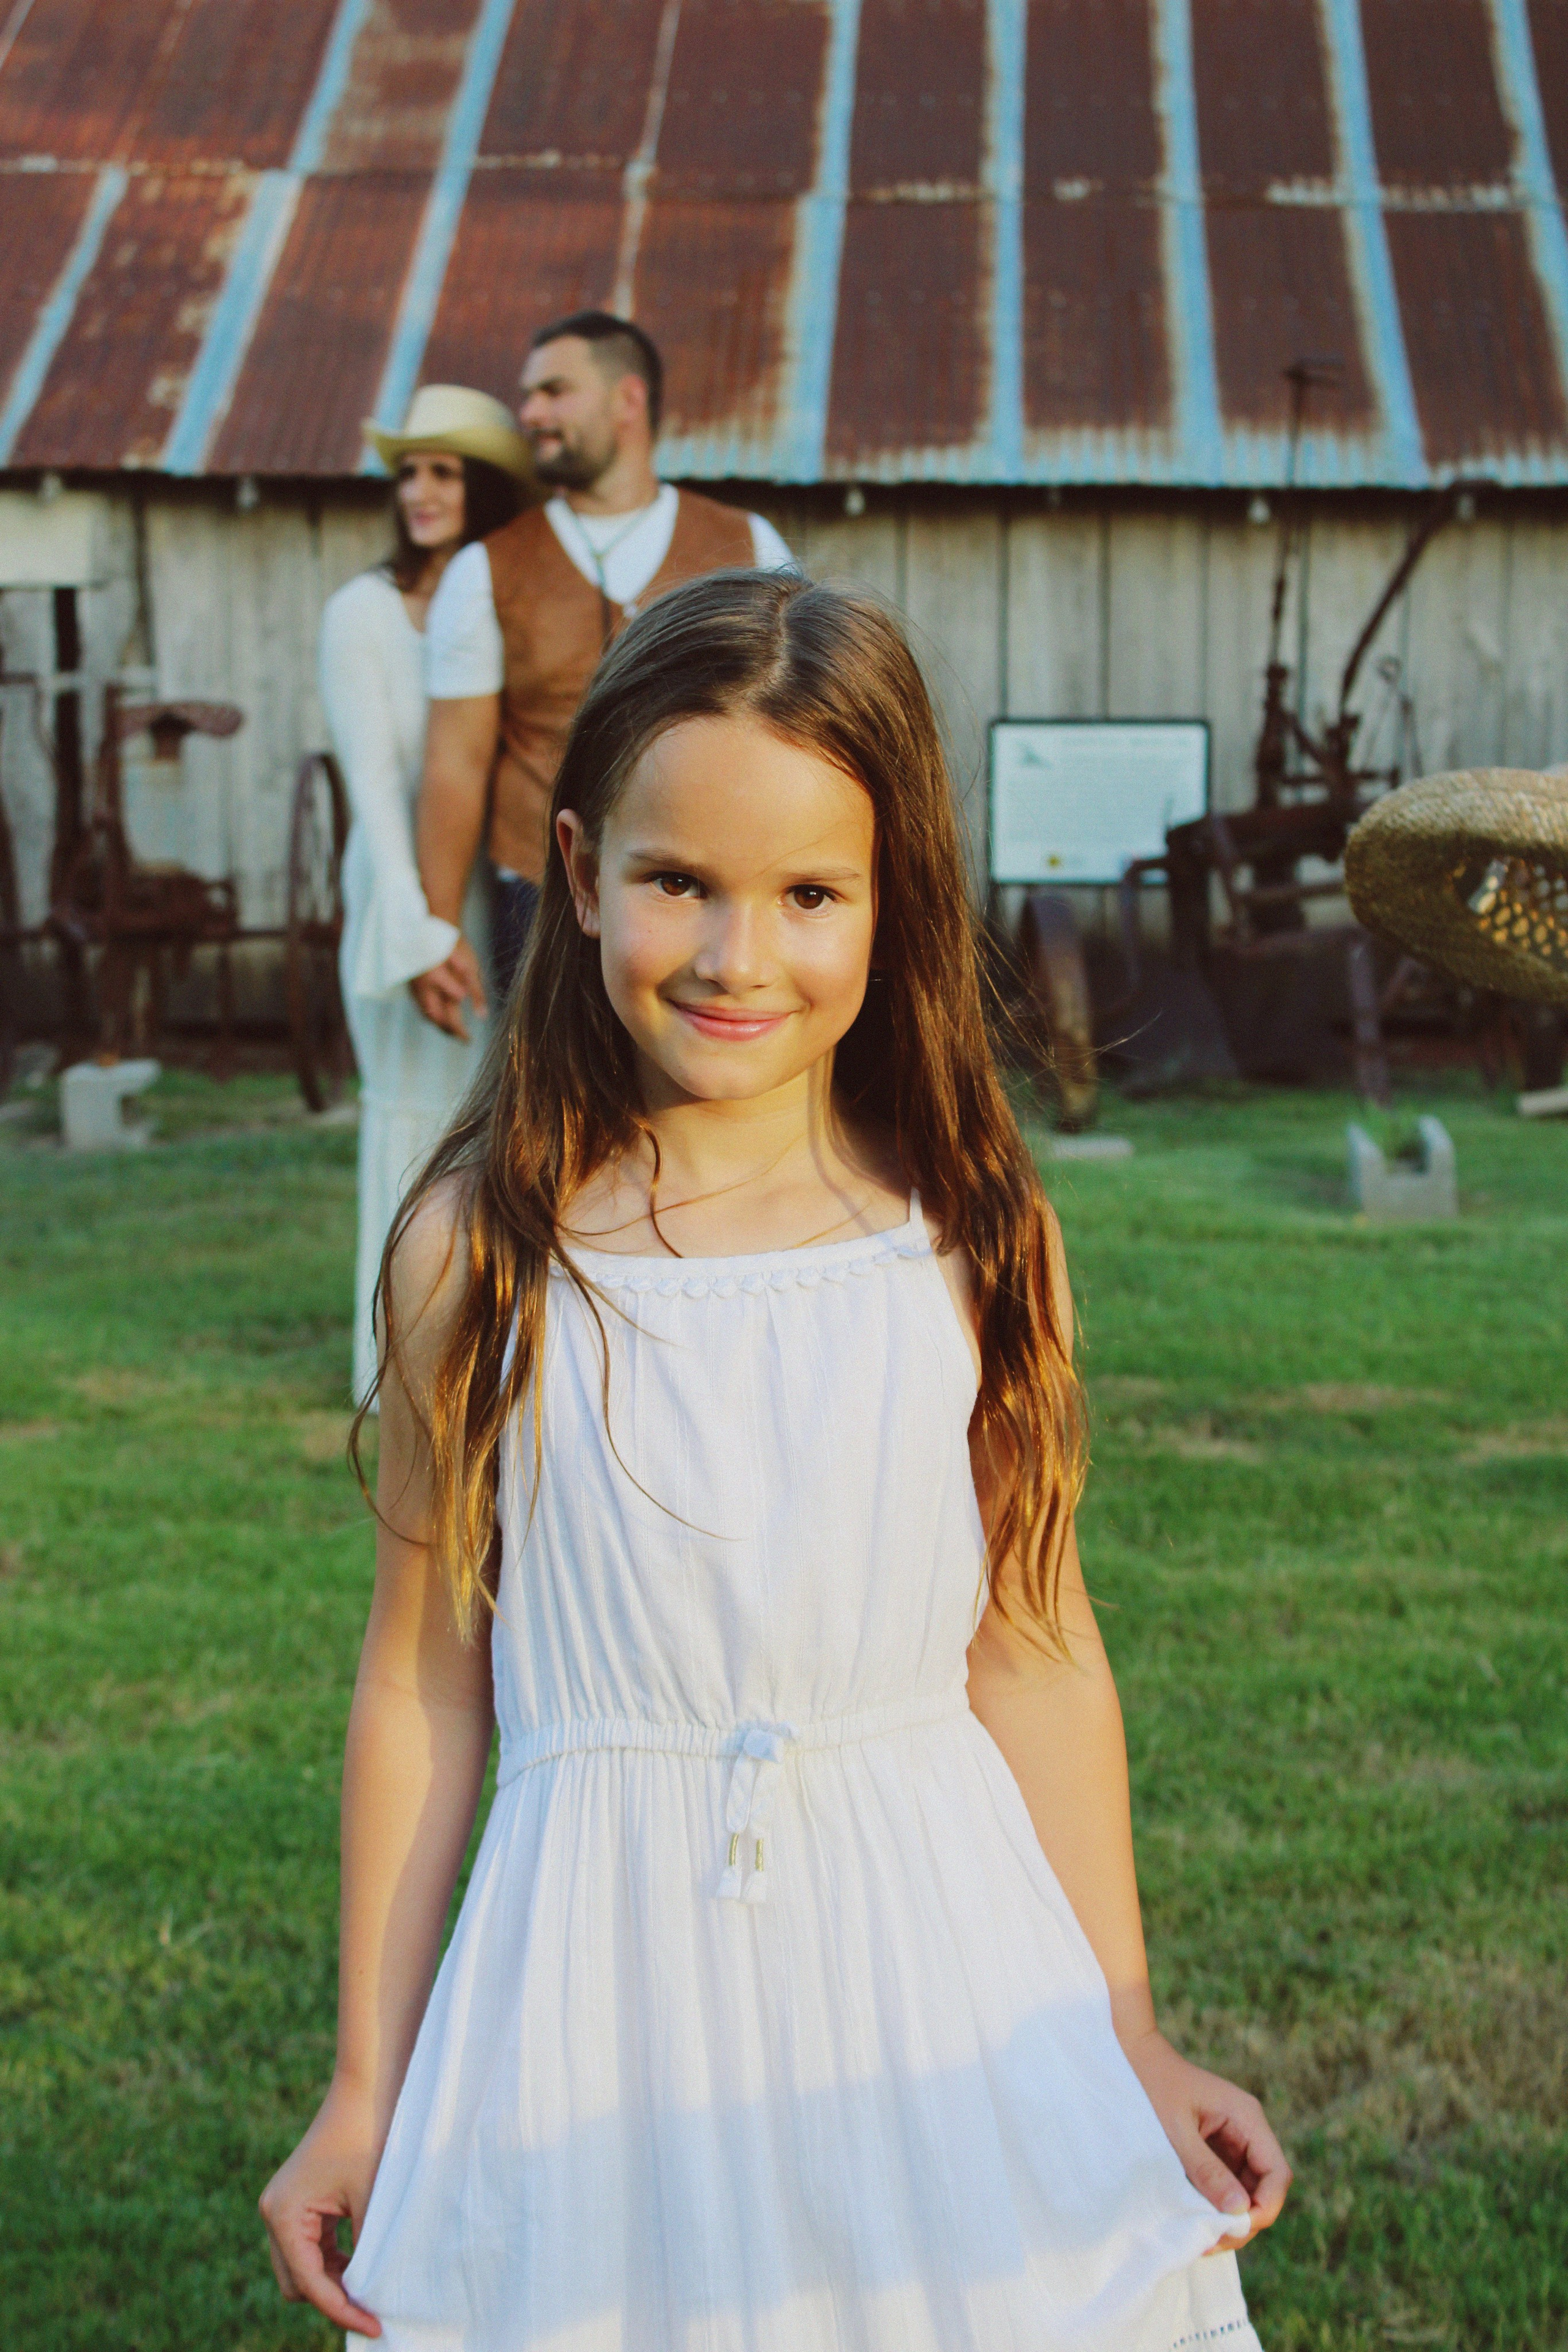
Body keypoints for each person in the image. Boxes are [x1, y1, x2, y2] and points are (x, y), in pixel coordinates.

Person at [262, 573, 1291, 2349]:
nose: (741, 958)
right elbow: (426, 1677)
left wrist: (1126, 2025)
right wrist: (372, 2079)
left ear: (896, 907)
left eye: (811, 895)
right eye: (680, 883)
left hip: (938, 1972)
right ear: (577, 874)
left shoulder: (968, 1235)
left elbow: (1035, 1646)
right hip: (598, 1999)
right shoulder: (478, 1253)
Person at [410, 310, 794, 1016]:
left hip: (704, 890)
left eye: (554, 391)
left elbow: (791, 726)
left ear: (627, 400)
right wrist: (434, 927)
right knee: (554, 1115)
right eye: (529, 396)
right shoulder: (485, 568)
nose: (530, 413)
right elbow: (454, 761)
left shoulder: (748, 543)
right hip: (537, 896)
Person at [319, 385, 530, 1404]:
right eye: (410, 472)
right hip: (398, 892)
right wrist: (416, 931)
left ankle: (475, 1346)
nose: (422, 491)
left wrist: (461, 912)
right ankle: (392, 1364)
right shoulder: (361, 613)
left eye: (444, 472)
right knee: (409, 1116)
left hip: (484, 893)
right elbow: (371, 782)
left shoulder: (494, 600)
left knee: (479, 1123)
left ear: (482, 488)